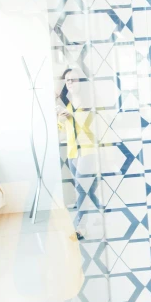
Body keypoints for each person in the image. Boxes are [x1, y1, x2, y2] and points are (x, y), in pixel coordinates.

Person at [55, 67, 94, 240]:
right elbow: (62, 130)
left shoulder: (89, 103)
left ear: (81, 82)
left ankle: (80, 226)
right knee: (85, 189)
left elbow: (91, 128)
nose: (70, 83)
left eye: (74, 79)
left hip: (87, 150)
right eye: (67, 80)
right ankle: (95, 213)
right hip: (72, 152)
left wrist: (73, 116)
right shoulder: (68, 105)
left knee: (81, 189)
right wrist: (61, 120)